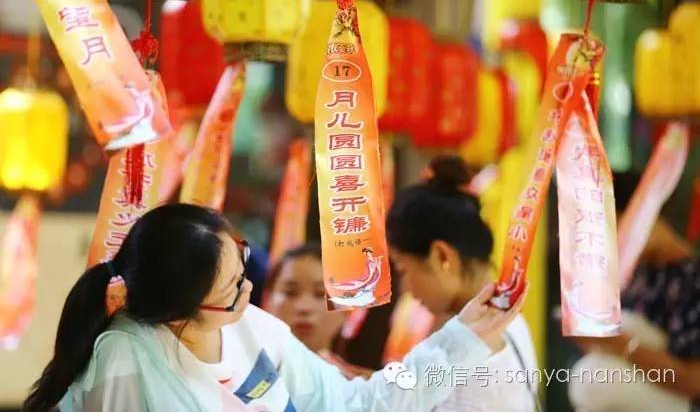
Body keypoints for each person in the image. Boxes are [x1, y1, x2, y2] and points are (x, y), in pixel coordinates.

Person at [24, 203, 526, 412]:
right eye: (230, 288)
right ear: (178, 309)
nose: (248, 291)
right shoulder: (126, 361)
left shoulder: (255, 330)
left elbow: (358, 404)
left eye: (243, 268)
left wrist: (458, 343)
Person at [385, 156, 539, 412]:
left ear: (441, 256)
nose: (406, 288)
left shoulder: (476, 350)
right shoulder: (501, 321)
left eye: (402, 269)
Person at [568, 172, 700, 412]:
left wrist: (621, 344)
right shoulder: (635, 277)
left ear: (641, 216)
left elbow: (694, 382)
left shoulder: (692, 281)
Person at [264, 242, 346, 355]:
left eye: (320, 293)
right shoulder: (238, 369)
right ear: (268, 300)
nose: (304, 307)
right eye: (290, 293)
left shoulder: (363, 373)